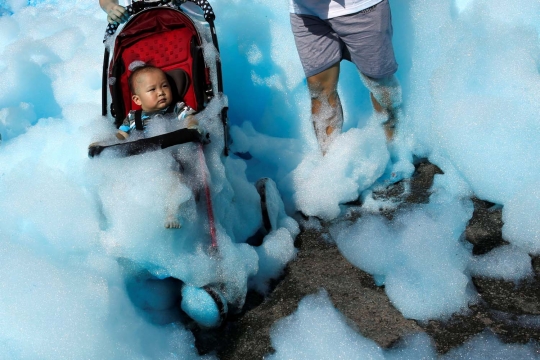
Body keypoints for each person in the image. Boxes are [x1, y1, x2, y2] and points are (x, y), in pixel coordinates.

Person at [289, 0, 402, 159]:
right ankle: (333, 166)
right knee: (319, 89)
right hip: (305, 12)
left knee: (381, 84)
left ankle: (395, 155)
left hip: (361, 7)